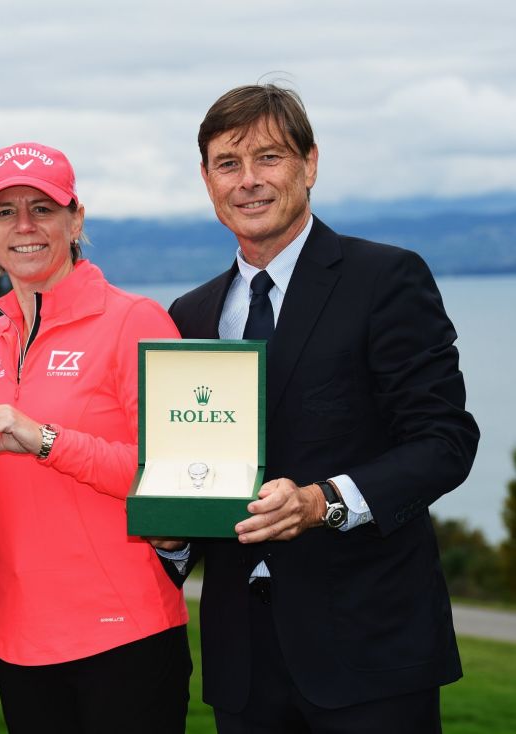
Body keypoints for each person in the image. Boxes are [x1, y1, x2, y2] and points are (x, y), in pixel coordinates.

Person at [162, 83, 480, 733]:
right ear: (206, 179)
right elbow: (200, 473)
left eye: (269, 158)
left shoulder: (387, 280)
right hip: (242, 660)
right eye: (229, 163)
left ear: (310, 164)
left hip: (370, 652)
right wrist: (173, 540)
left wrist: (323, 501)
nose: (248, 181)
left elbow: (445, 441)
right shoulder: (190, 316)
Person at [0, 142, 192, 734]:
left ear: (76, 219)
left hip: (125, 635)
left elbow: (179, 477)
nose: (25, 225)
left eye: (42, 207)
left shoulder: (134, 320)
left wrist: (43, 439)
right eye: (4, 212)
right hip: (21, 640)